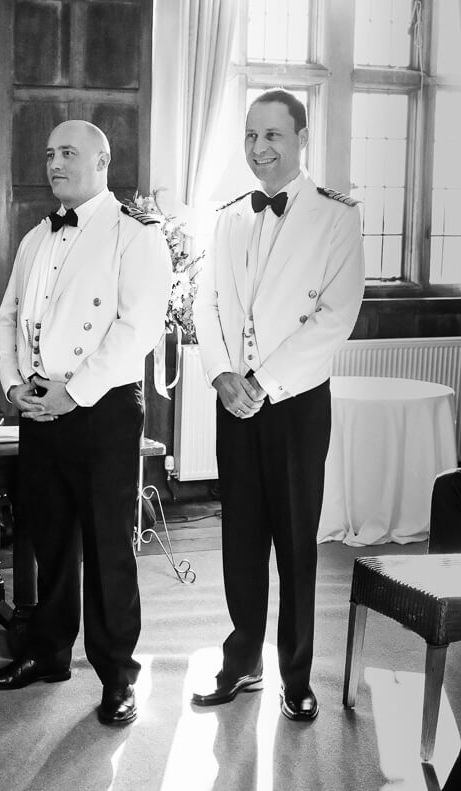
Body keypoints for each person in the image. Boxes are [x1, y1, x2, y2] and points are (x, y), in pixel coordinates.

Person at [0, 119, 171, 727]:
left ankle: (117, 677)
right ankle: (49, 654)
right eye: (48, 153)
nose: (54, 163)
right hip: (39, 407)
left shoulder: (135, 235)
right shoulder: (37, 236)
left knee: (109, 547)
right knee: (48, 539)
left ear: (102, 161)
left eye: (67, 153)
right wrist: (13, 387)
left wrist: (75, 393)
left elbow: (135, 329)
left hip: (103, 410)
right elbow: (7, 317)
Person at [191, 89, 365, 721]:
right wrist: (221, 375)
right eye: (250, 136)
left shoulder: (338, 216)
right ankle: (243, 660)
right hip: (232, 397)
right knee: (240, 536)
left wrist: (262, 380)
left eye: (273, 137)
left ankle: (296, 673)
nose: (259, 150)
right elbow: (206, 305)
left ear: (300, 139)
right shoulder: (228, 214)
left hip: (292, 402)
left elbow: (334, 318)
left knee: (295, 540)